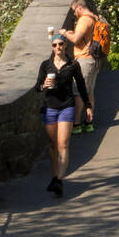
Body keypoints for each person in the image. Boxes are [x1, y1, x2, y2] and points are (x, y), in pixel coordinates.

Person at [36, 37, 92, 197]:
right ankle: (55, 176)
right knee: (53, 145)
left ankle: (59, 179)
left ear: (65, 46)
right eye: (55, 45)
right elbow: (37, 88)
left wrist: (88, 105)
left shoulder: (73, 65)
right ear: (52, 48)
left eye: (61, 44)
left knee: (63, 145)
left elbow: (81, 85)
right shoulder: (45, 65)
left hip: (67, 106)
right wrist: (43, 85)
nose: (58, 47)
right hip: (50, 107)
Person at [60, 0, 99, 133]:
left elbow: (76, 40)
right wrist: (74, 33)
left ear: (79, 8)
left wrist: (65, 33)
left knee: (78, 92)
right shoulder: (95, 17)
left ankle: (76, 124)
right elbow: (84, 35)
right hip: (95, 59)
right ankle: (89, 122)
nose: (73, 13)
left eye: (74, 10)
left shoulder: (84, 19)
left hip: (85, 59)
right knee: (89, 92)